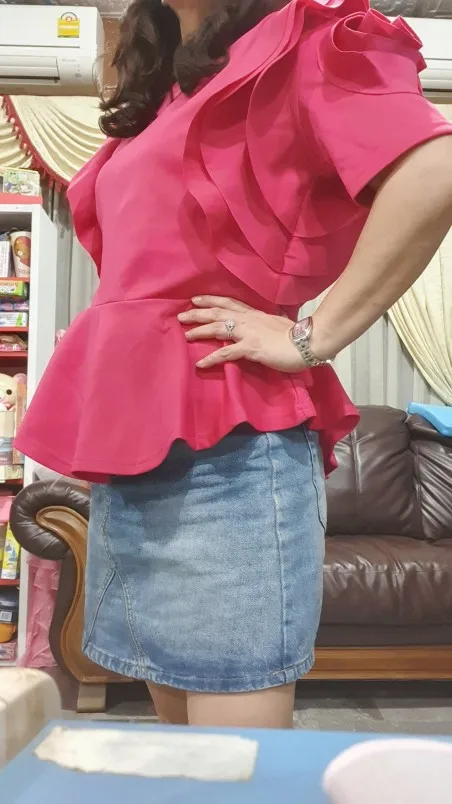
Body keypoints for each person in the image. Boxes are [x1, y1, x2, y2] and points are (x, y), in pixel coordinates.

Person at [15, 0, 452, 729]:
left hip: (232, 443)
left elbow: (433, 170)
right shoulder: (169, 91)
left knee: (235, 752)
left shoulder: (303, 43)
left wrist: (312, 335)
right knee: (179, 737)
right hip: (138, 453)